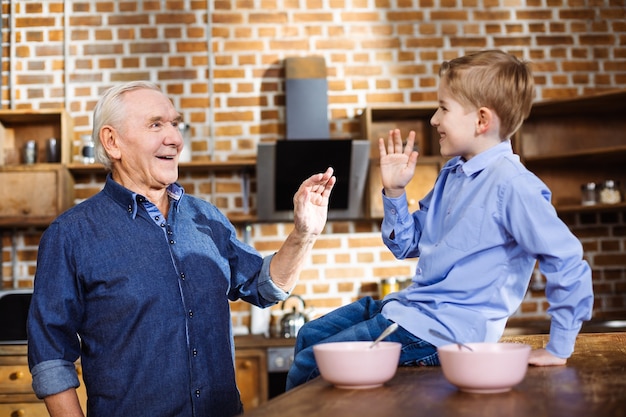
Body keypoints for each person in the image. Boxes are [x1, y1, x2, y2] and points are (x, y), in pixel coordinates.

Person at [286, 49, 594, 389]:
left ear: (481, 120)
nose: (434, 119)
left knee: (311, 362)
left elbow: (566, 259)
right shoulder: (452, 174)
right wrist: (395, 192)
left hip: (440, 332)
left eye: (444, 108)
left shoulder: (514, 185)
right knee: (309, 334)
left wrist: (560, 344)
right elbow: (407, 245)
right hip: (407, 310)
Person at [27, 80, 336, 417]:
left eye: (175, 123)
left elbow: (266, 287)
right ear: (112, 142)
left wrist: (303, 234)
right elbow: (50, 355)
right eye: (155, 124)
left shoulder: (207, 218)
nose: (175, 138)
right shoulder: (71, 235)